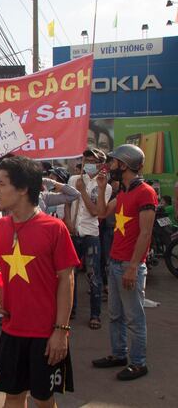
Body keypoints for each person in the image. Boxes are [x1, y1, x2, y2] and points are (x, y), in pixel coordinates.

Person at [0, 156, 79, 407]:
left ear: (23, 189)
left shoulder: (54, 228)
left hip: (45, 334)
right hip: (11, 329)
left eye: (1, 184)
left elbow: (67, 279)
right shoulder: (1, 226)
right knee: (12, 396)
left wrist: (61, 331)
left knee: (43, 399)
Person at [91, 144, 157, 381]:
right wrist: (100, 189)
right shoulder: (123, 193)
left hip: (129, 266)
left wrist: (132, 266)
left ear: (126, 164)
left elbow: (146, 233)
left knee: (134, 318)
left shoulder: (146, 192)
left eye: (115, 162)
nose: (111, 166)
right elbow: (100, 214)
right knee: (116, 315)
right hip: (115, 262)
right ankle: (119, 354)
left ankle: (139, 363)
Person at [64, 149, 110, 330]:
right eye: (86, 159)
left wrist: (82, 192)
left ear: (100, 164)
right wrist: (67, 221)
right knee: (70, 275)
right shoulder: (73, 180)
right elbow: (66, 202)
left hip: (91, 234)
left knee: (93, 275)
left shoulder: (104, 186)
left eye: (93, 160)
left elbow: (96, 212)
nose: (88, 162)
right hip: (73, 234)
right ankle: (71, 310)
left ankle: (95, 315)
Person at [0, 157, 80, 216]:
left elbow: (74, 194)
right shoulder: (8, 202)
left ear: (23, 187)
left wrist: (51, 182)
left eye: (2, 184)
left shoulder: (43, 197)